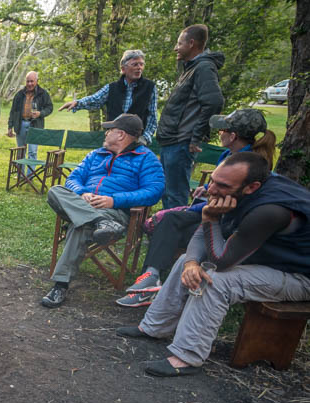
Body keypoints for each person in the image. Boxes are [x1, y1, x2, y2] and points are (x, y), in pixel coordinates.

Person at [117, 152, 310, 377]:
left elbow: (221, 260)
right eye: (213, 180)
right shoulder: (238, 189)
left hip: (301, 277)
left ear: (252, 187)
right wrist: (190, 262)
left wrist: (210, 219)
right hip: (274, 263)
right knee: (185, 261)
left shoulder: (270, 211)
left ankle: (187, 356)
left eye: (222, 185)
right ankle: (153, 327)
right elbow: (203, 238)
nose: (211, 189)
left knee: (215, 280)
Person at [117, 108, 277, 307]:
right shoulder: (231, 154)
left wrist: (184, 210)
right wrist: (208, 187)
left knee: (170, 221)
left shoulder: (246, 164)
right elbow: (223, 191)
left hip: (228, 227)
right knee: (171, 223)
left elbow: (221, 205)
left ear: (232, 135)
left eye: (222, 130)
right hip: (218, 216)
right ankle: (152, 279)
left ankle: (151, 280)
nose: (220, 134)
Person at [41, 114, 165, 308]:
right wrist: (82, 193)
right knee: (56, 191)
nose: (106, 133)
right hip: (84, 207)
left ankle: (60, 285)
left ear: (121, 134)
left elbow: (154, 190)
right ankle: (99, 222)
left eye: (110, 130)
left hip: (115, 213)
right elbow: (73, 178)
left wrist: (114, 200)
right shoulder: (95, 154)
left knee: (80, 225)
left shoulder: (145, 159)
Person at [156, 24, 224, 210]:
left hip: (181, 141)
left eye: (179, 43)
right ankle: (166, 232)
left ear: (192, 43)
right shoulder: (192, 68)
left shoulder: (203, 68)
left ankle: (176, 236)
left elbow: (214, 102)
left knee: (175, 194)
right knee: (168, 191)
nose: (175, 48)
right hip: (173, 140)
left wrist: (196, 135)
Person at [59, 50, 158, 145]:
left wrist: (145, 138)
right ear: (123, 69)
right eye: (135, 64)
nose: (139, 68)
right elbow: (95, 99)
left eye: (141, 64)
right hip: (114, 139)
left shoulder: (150, 87)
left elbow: (152, 117)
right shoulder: (112, 88)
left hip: (136, 141)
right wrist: (77, 103)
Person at [7, 71, 53, 177]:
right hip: (21, 123)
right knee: (20, 150)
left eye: (32, 81)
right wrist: (10, 126)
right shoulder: (19, 94)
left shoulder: (43, 93)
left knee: (32, 151)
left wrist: (40, 113)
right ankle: (20, 174)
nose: (30, 84)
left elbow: (50, 107)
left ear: (36, 81)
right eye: (28, 81)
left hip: (35, 125)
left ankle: (30, 176)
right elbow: (13, 111)